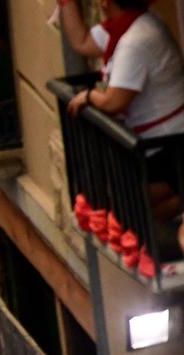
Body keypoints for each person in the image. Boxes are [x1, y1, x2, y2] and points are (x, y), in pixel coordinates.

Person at [59, 0, 184, 244]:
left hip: (167, 146)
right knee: (123, 204)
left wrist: (90, 96)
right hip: (156, 145)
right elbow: (82, 42)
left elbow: (115, 101)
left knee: (128, 204)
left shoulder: (136, 40)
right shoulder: (129, 27)